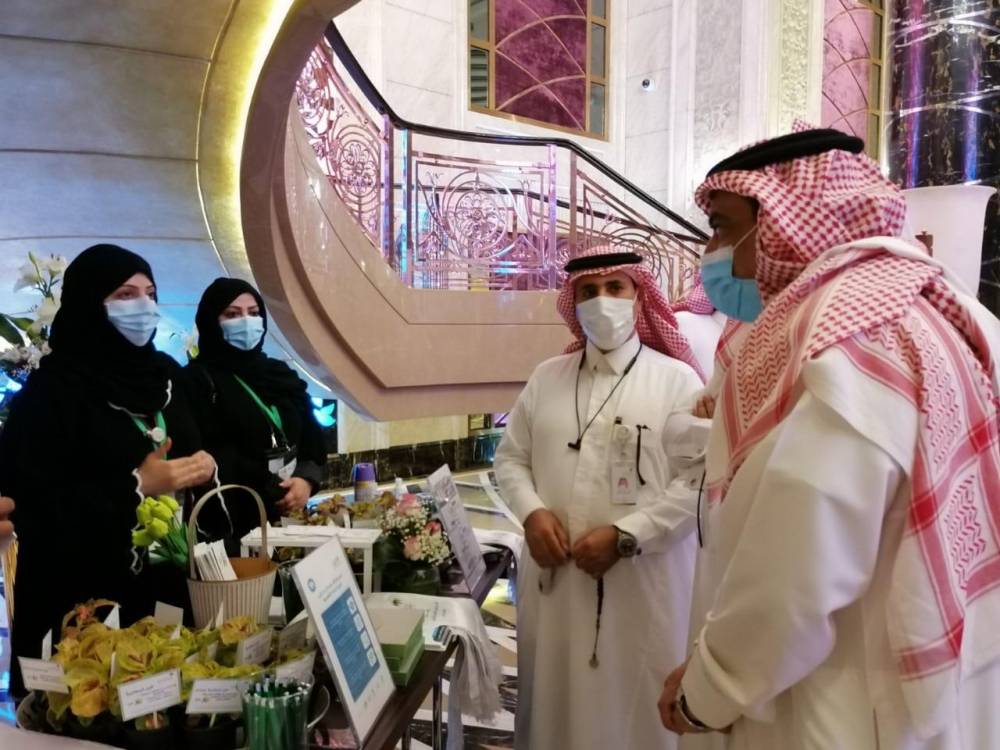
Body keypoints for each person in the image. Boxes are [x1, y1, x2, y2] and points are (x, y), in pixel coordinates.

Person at [657, 125, 1000, 749]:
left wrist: (705, 691)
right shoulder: (936, 306)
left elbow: (796, 574)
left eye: (723, 227)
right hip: (935, 671)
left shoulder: (847, 340)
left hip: (831, 697)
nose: (713, 251)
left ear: (782, 224)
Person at [495, 245, 705, 750]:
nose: (601, 300)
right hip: (555, 584)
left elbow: (698, 481)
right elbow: (511, 459)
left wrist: (628, 536)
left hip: (640, 586)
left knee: (631, 713)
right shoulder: (547, 378)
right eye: (588, 292)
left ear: (639, 297)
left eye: (615, 288)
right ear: (574, 303)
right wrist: (532, 512)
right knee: (553, 710)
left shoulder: (677, 381)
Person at [0, 244, 216, 696]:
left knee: (167, 712)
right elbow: (33, 508)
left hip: (164, 594)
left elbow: (192, 447)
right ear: (88, 303)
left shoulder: (165, 377)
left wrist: (203, 467)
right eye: (125, 294)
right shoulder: (49, 395)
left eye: (150, 293)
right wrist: (135, 486)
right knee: (88, 715)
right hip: (79, 604)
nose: (144, 305)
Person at [183, 278, 326, 543]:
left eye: (253, 313)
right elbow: (212, 453)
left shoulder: (279, 375)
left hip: (288, 514)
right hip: (229, 524)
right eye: (232, 314)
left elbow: (311, 437)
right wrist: (270, 486)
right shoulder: (196, 381)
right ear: (211, 321)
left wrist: (305, 481)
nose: (246, 322)